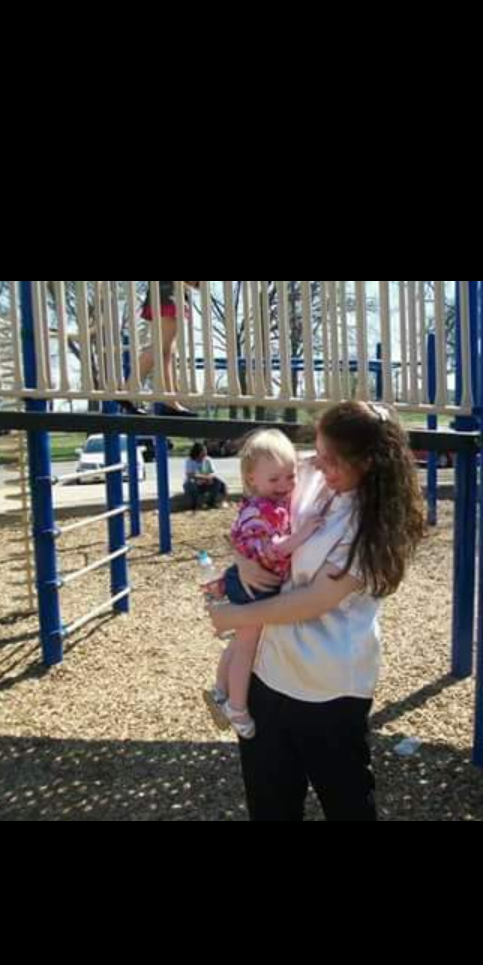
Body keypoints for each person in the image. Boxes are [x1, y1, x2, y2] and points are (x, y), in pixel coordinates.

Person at [206, 402, 425, 820]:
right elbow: (256, 513)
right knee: (270, 802)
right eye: (317, 452)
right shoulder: (311, 475)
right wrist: (243, 560)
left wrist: (234, 618)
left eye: (330, 459)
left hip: (328, 688)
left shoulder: (372, 525)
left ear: (368, 463)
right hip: (268, 672)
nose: (316, 465)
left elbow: (314, 601)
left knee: (346, 801)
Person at [203, 429, 324, 739]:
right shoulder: (261, 511)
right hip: (253, 586)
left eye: (290, 477)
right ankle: (237, 707)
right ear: (251, 479)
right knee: (247, 646)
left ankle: (219, 689)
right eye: (275, 480)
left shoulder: (259, 502)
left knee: (239, 640)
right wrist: (304, 533)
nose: (284, 486)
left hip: (248, 579)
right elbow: (274, 548)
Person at [137, 281, 200, 413]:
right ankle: (129, 386)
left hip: (163, 292)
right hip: (168, 293)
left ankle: (170, 400)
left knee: (167, 351)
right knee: (162, 347)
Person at [183, 443, 227, 511]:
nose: (205, 453)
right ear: (197, 452)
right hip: (194, 482)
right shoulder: (190, 460)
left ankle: (211, 502)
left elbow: (212, 472)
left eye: (205, 451)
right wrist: (203, 478)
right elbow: (190, 475)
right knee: (190, 483)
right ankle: (194, 504)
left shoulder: (207, 460)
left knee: (218, 482)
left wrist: (209, 478)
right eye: (203, 452)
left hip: (206, 481)